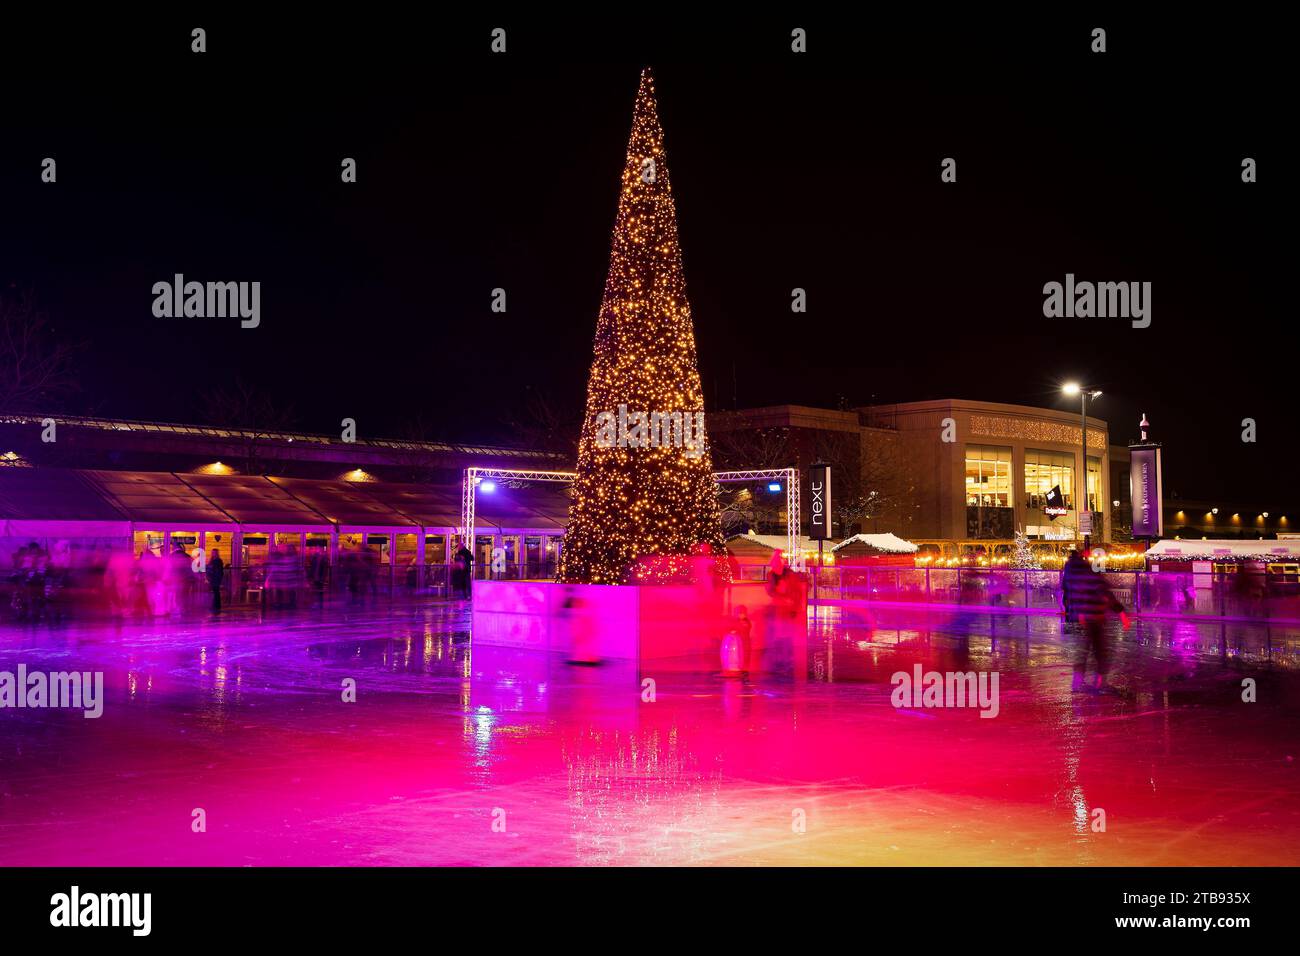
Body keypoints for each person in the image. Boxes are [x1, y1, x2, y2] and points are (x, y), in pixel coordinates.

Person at [1062, 549, 1122, 692]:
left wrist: (1073, 611)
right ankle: (1100, 682)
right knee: (1099, 650)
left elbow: (1068, 593)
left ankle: (1078, 683)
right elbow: (1101, 590)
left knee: (1082, 651)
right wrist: (1119, 610)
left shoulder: (1070, 573)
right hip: (1092, 616)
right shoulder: (1088, 573)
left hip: (1079, 616)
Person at [206, 547, 225, 614]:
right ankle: (215, 605)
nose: (213, 554)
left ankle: (216, 606)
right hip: (213, 579)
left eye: (214, 553)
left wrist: (217, 578)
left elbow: (218, 570)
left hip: (215, 579)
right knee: (215, 592)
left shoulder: (217, 561)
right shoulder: (214, 560)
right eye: (212, 553)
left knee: (216, 592)